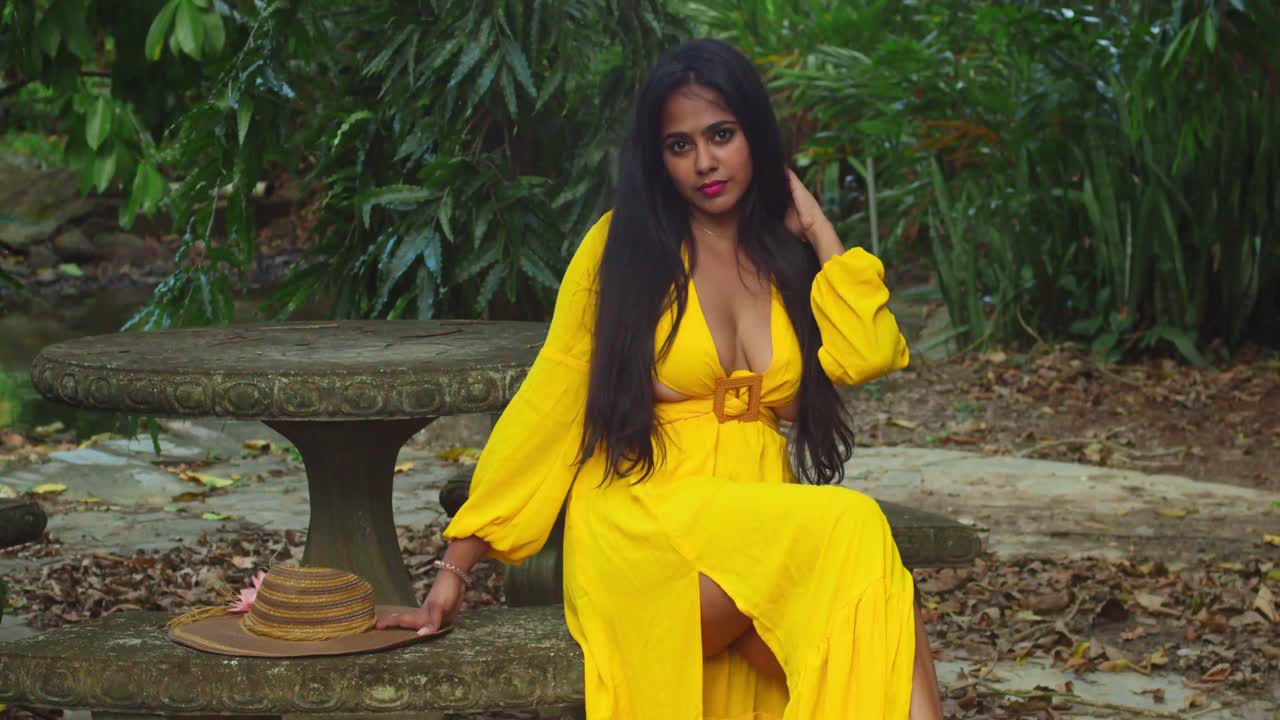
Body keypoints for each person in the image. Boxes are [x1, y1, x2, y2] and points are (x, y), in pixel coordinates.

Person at [379, 38, 945, 719]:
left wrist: (818, 227)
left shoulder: (782, 253)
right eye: (680, 145)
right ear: (659, 158)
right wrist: (455, 568)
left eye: (722, 135)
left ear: (756, 139)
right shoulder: (622, 250)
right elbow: (550, 409)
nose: (704, 162)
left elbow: (868, 352)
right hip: (647, 527)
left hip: (756, 521)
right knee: (856, 530)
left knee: (878, 634)